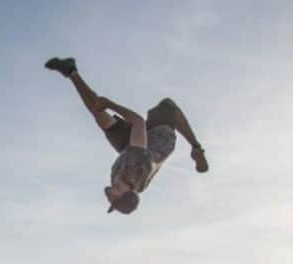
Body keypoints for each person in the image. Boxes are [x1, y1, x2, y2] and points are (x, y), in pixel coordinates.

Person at [44, 57, 209, 215]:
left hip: (129, 147)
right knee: (168, 105)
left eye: (111, 202)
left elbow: (129, 135)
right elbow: (138, 123)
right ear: (126, 192)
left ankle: (71, 71)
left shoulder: (116, 177)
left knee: (99, 114)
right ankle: (196, 148)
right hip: (161, 136)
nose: (109, 198)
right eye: (114, 199)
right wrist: (111, 104)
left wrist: (103, 107)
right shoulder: (134, 167)